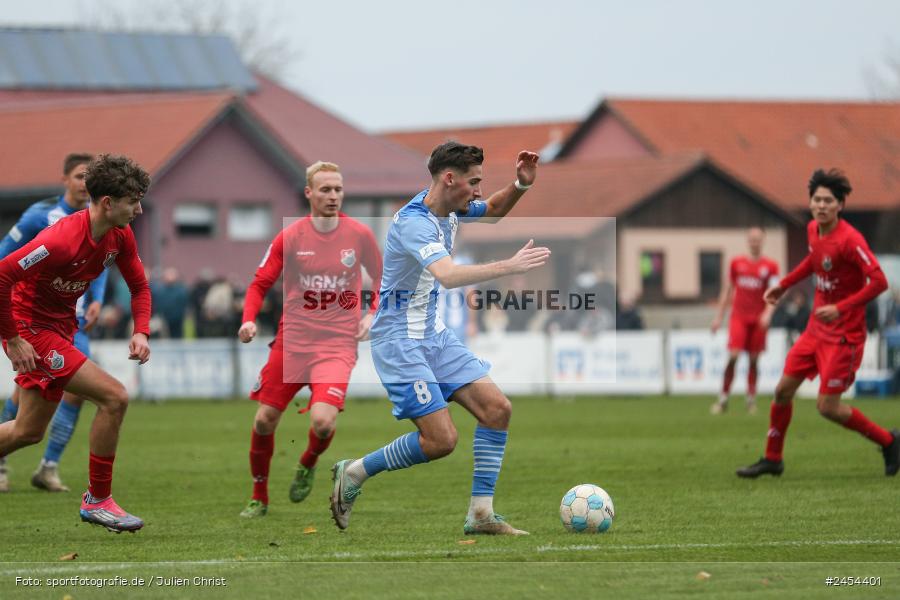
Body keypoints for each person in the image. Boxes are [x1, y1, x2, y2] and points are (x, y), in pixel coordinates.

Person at [329, 142, 550, 535]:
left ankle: (481, 515)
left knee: (497, 409)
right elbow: (448, 275)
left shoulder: (451, 207)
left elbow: (495, 210)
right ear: (450, 179)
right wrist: (508, 266)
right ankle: (355, 472)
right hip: (398, 341)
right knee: (440, 440)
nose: (479, 191)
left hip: (433, 335)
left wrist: (521, 183)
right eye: (474, 182)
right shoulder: (415, 223)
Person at [0, 154, 152, 531]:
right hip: (33, 331)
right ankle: (98, 500)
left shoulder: (120, 235)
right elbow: (2, 275)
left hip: (60, 328)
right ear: (107, 203)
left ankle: (96, 500)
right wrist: (13, 338)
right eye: (133, 201)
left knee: (27, 432)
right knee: (114, 396)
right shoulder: (60, 239)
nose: (139, 208)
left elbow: (139, 285)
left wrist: (141, 330)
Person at [238, 161, 383, 518]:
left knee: (322, 421)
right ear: (309, 193)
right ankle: (259, 496)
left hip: (336, 344)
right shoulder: (290, 236)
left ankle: (308, 461)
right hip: (293, 343)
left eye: (337, 189)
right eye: (325, 189)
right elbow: (259, 283)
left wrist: (371, 313)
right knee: (263, 421)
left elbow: (384, 281)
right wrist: (248, 320)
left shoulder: (359, 235)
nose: (333, 196)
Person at [737, 168, 898, 478]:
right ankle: (773, 458)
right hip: (815, 330)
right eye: (816, 199)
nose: (821, 205)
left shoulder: (850, 240)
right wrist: (783, 285)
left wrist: (841, 307)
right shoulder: (813, 230)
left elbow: (879, 282)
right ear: (810, 202)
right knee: (783, 391)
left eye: (828, 200)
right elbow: (813, 262)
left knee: (828, 407)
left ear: (840, 205)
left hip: (844, 336)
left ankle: (889, 441)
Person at [0, 153, 109, 493]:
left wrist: (97, 299)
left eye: (89, 177)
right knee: (24, 396)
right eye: (79, 176)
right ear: (64, 179)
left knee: (77, 395)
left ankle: (49, 466)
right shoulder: (41, 216)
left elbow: (102, 262)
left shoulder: (101, 221)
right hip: (37, 320)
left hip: (73, 323)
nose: (84, 183)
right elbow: (6, 257)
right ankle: (3, 462)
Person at [710, 228, 780, 415]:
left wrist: (768, 314)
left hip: (758, 319)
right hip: (738, 317)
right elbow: (727, 290)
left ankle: (750, 400)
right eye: (752, 239)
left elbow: (775, 293)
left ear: (763, 241)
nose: (754, 242)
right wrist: (718, 317)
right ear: (747, 241)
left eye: (758, 239)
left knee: (754, 360)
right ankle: (723, 398)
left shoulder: (771, 266)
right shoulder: (737, 263)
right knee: (733, 356)